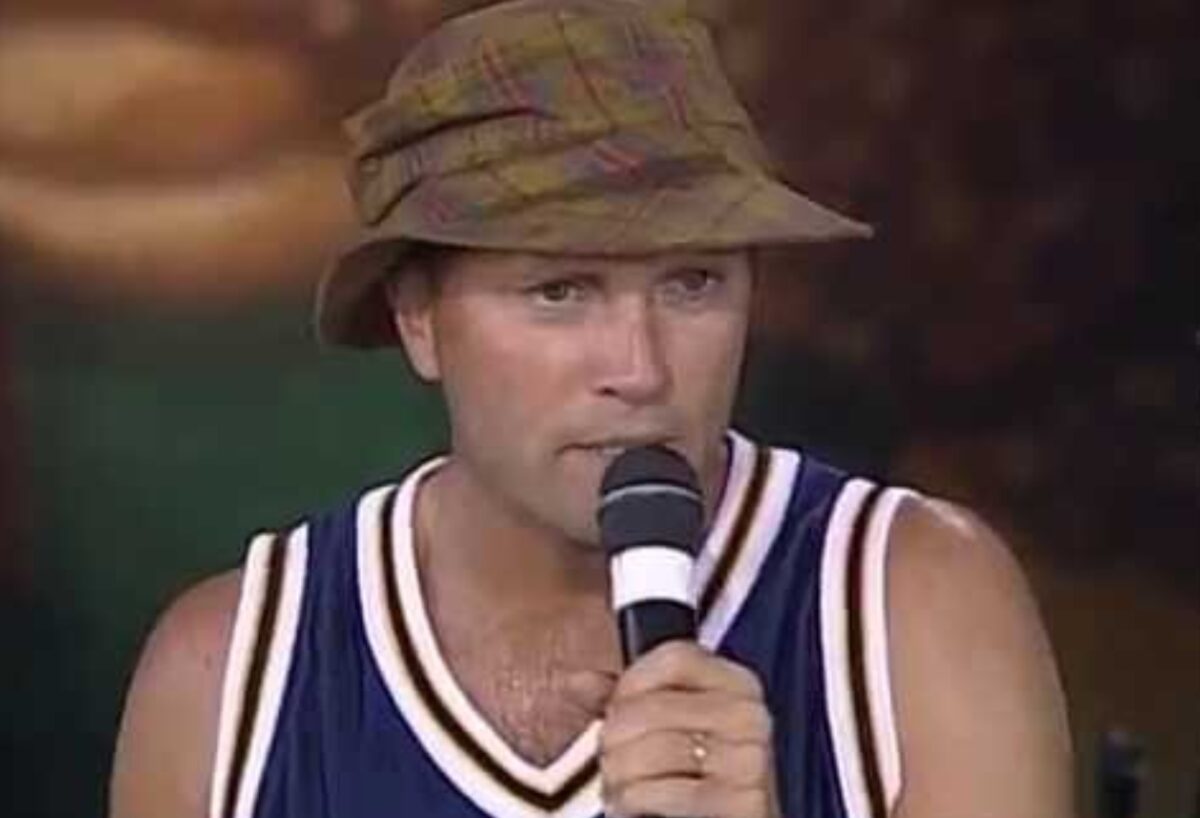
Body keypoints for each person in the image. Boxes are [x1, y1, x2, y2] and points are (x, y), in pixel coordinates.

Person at [109, 1, 1074, 817]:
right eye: (560, 291)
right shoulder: (231, 677)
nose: (641, 370)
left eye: (692, 283)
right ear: (419, 319)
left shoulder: (914, 606)